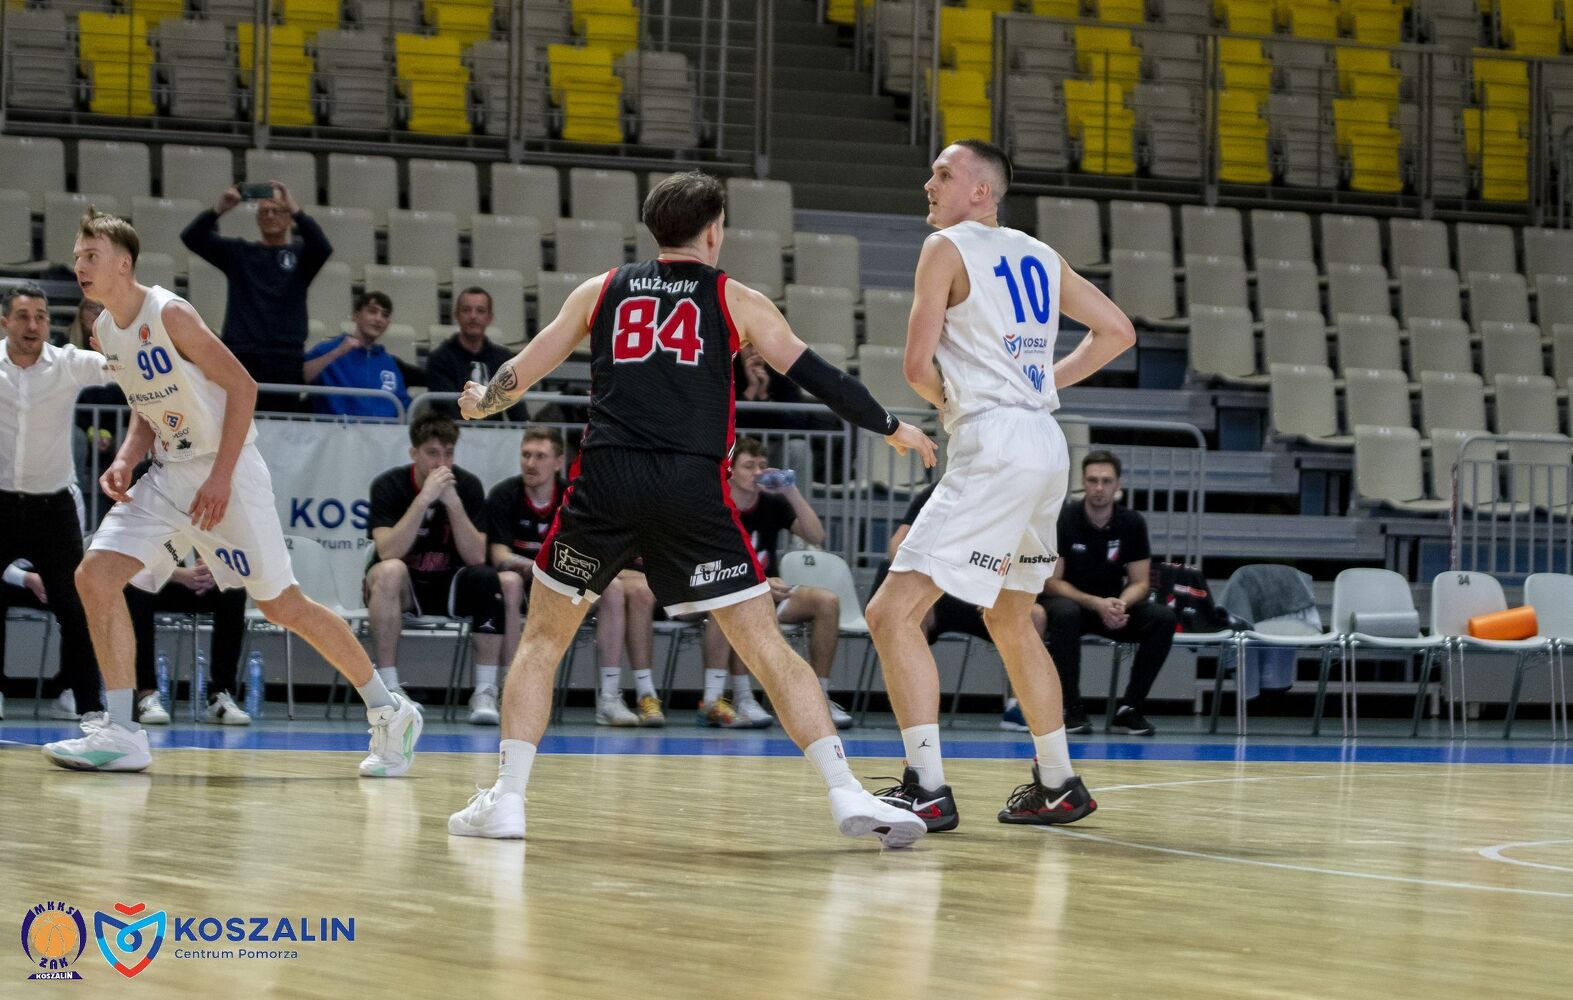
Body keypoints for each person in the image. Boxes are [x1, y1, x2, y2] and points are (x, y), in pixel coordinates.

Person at [446, 170, 936, 845]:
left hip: (606, 484)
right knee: (765, 647)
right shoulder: (736, 298)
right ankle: (845, 791)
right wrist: (890, 426)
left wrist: (481, 402)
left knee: (541, 642)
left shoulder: (600, 290)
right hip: (689, 487)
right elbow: (819, 376)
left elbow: (520, 372)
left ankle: (507, 799)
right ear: (714, 231)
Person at [43, 208, 421, 775]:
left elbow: (243, 388)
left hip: (229, 468)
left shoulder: (169, 313)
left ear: (123, 263)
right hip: (169, 472)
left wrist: (220, 477)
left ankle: (390, 709)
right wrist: (125, 457)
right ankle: (122, 730)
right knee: (94, 575)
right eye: (77, 257)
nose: (79, 266)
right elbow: (145, 405)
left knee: (281, 605)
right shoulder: (104, 331)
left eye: (91, 256)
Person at [864, 140, 1135, 832]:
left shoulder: (945, 247)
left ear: (980, 191)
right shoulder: (1040, 253)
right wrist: (1038, 383)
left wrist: (954, 402)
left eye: (943, 174)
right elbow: (1117, 332)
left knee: (890, 614)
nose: (929, 184)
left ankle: (925, 787)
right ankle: (1059, 783)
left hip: (995, 441)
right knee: (1011, 617)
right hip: (1046, 442)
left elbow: (915, 367)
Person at [486, 427, 666, 727]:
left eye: (540, 456)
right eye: (526, 455)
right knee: (509, 584)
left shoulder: (575, 498)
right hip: (526, 582)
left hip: (565, 583)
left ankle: (609, 697)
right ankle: (510, 690)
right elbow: (499, 555)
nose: (531, 463)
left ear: (558, 462)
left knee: (612, 589)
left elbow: (596, 555)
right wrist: (537, 566)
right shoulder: (504, 494)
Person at [0, 283, 110, 724]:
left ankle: (91, 711)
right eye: (23, 316)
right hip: (0, 505)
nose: (33, 325)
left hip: (53, 509)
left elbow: (122, 368)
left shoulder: (67, 363)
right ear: (4, 322)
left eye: (41, 316)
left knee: (76, 608)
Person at [698, 436, 852, 729]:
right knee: (739, 600)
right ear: (731, 470)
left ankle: (818, 696)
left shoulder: (772, 502)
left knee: (827, 602)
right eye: (749, 466)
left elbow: (817, 536)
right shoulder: (717, 505)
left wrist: (791, 492)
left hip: (769, 592)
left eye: (762, 466)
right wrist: (759, 582)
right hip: (723, 590)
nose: (757, 472)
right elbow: (709, 562)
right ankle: (732, 698)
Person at [366, 412, 507, 722]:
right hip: (404, 588)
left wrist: (453, 503)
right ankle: (389, 689)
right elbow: (387, 550)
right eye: (432, 453)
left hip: (449, 585)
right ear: (414, 454)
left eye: (448, 453)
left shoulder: (467, 486)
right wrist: (424, 499)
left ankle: (485, 691)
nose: (441, 463)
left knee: (488, 578)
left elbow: (476, 556)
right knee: (389, 570)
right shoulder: (388, 485)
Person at [878, 481, 1047, 731]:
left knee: (1035, 615)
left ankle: (1017, 708)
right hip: (937, 589)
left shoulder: (1010, 498)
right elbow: (897, 544)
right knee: (911, 614)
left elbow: (1024, 563)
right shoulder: (939, 491)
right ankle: (917, 715)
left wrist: (994, 591)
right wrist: (917, 586)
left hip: (977, 593)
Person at [1041, 450, 1175, 737]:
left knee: (1163, 618)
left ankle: (1129, 709)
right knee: (1064, 613)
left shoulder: (1132, 522)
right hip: (1074, 604)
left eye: (1106, 481)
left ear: (1118, 485)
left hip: (1112, 607)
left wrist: (1120, 605)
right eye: (1092, 480)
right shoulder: (1064, 519)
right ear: (1083, 483)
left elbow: (1140, 582)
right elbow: (1051, 582)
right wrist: (1095, 603)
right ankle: (1071, 709)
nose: (1099, 488)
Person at [180, 181, 331, 413]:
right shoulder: (239, 252)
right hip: (242, 355)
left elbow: (322, 247)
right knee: (239, 425)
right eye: (264, 212)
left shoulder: (301, 255)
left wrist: (295, 209)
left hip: (286, 359)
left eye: (277, 211)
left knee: (281, 426)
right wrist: (219, 209)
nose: (270, 216)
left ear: (288, 218)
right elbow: (192, 237)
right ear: (258, 219)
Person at [126, 554, 250, 726]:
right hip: (145, 579)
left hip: (182, 582)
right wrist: (177, 574)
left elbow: (206, 545)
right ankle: (145, 695)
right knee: (136, 589)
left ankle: (220, 696)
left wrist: (209, 569)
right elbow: (131, 561)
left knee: (232, 590)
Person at [303, 290, 420, 419]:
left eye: (385, 315)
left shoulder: (389, 362)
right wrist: (337, 353)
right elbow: (300, 377)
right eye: (372, 311)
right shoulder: (329, 349)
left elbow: (403, 405)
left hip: (385, 430)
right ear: (356, 316)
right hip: (337, 429)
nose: (378, 319)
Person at [426, 287, 528, 422]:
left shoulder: (503, 358)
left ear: (489, 318)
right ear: (456, 315)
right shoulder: (439, 358)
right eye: (466, 310)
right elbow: (446, 409)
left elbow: (518, 411)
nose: (473, 316)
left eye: (480, 311)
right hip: (455, 431)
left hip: (496, 432)